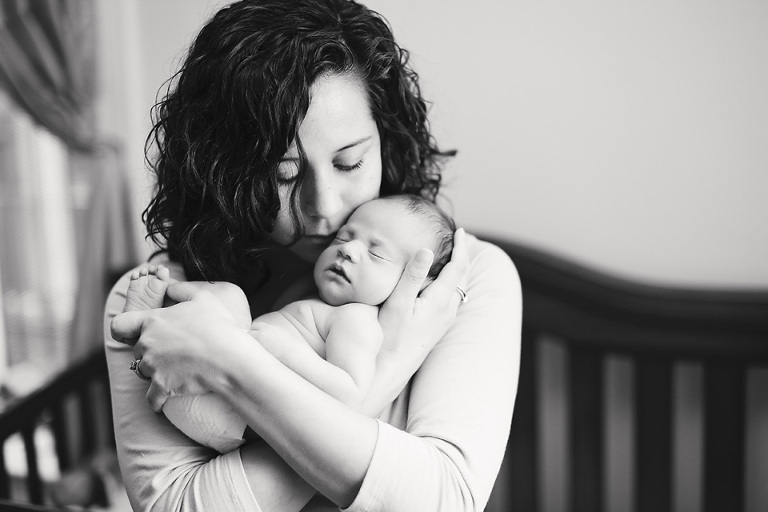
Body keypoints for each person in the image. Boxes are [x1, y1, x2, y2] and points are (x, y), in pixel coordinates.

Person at [105, 0, 522, 510]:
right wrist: (390, 366)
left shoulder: (462, 279)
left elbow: (445, 499)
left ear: (385, 141)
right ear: (222, 173)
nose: (323, 208)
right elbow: (176, 505)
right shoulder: (155, 298)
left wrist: (232, 363)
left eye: (350, 163)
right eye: (282, 175)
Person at [123, 194, 457, 454]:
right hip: (211, 391)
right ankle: (155, 316)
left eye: (376, 254)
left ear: (412, 282)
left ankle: (151, 312)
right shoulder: (321, 302)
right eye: (344, 238)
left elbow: (351, 394)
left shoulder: (358, 321)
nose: (349, 251)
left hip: (235, 414)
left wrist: (283, 351)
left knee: (229, 298)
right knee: (227, 301)